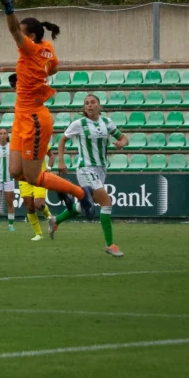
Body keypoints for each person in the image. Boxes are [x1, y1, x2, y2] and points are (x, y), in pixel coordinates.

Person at [0, 0, 96, 218]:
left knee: (34, 177)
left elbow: (12, 30)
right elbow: (54, 68)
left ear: (29, 36)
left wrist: (9, 9)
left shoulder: (30, 49)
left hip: (34, 120)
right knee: (14, 172)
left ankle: (81, 193)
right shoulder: (46, 47)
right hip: (21, 116)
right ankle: (58, 187)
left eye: (22, 32)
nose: (18, 35)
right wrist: (38, 75)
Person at [51, 94, 129, 256]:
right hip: (85, 168)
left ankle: (55, 220)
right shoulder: (79, 124)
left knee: (84, 204)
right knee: (106, 203)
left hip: (101, 169)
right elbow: (62, 140)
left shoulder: (107, 122)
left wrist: (122, 143)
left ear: (99, 105)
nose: (90, 105)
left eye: (93, 102)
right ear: (84, 108)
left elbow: (122, 137)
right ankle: (110, 245)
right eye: (87, 103)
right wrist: (61, 161)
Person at [7, 72, 55, 240]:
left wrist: (49, 167)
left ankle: (50, 218)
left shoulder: (36, 135)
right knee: (29, 206)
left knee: (39, 203)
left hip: (38, 173)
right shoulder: (20, 135)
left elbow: (51, 153)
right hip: (23, 176)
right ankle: (38, 234)